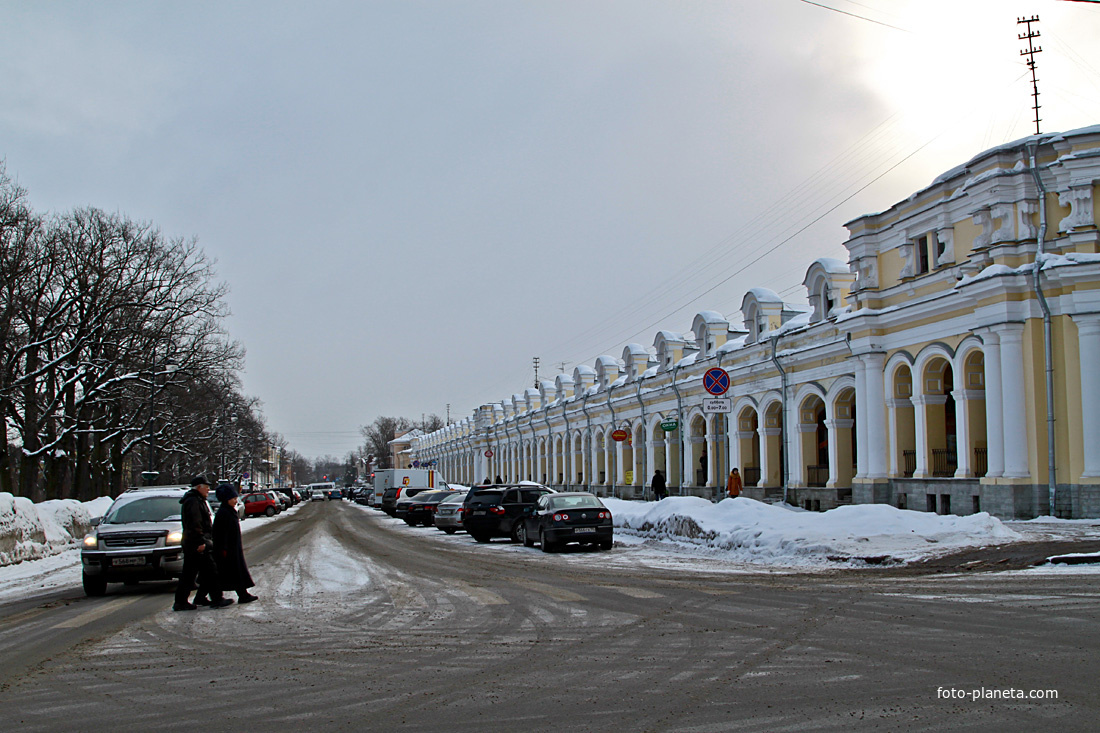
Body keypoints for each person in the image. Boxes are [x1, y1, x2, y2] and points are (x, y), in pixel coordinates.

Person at [173, 475, 233, 611]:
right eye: (206, 487)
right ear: (198, 487)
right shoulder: (194, 501)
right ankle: (216, 598)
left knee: (192, 573)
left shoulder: (195, 500)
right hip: (197, 543)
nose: (208, 489)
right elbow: (195, 524)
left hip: (193, 543)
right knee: (210, 571)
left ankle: (183, 601)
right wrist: (201, 541)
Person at [212, 483, 258, 604]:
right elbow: (221, 533)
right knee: (228, 573)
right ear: (226, 499)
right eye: (233, 498)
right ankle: (215, 597)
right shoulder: (224, 513)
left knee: (235, 572)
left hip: (232, 547)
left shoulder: (228, 511)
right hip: (228, 548)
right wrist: (224, 548)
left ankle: (243, 594)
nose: (236, 500)